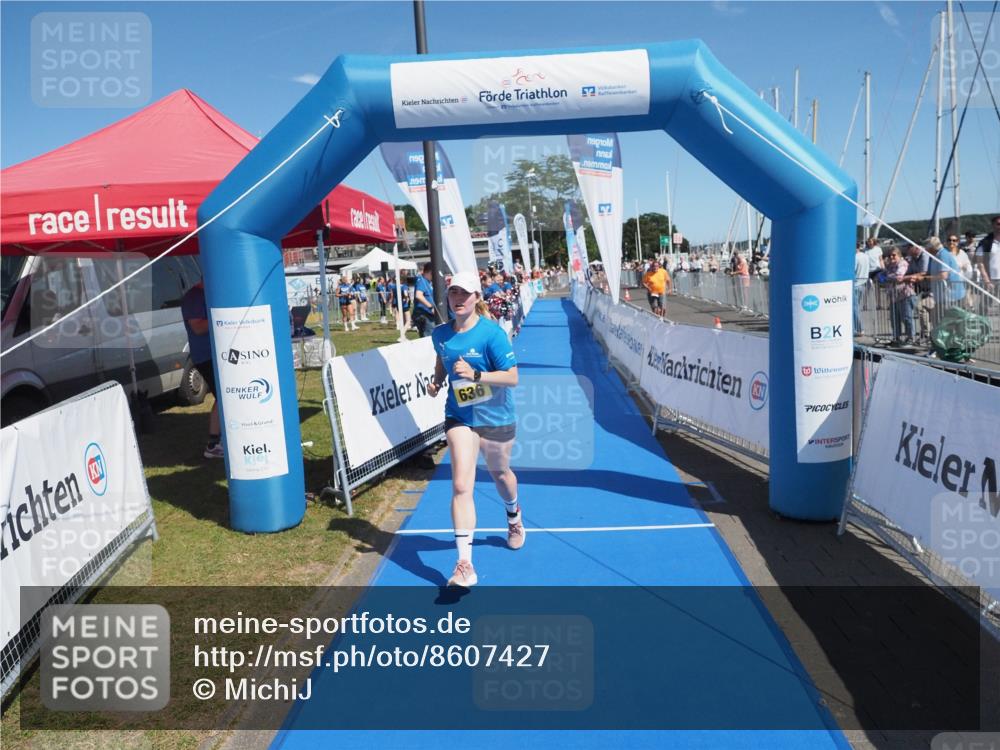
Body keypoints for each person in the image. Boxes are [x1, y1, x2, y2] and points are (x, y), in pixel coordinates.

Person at [426, 271, 522, 588]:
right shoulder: (440, 334)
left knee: (500, 474)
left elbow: (512, 377)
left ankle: (514, 516)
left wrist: (477, 376)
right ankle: (464, 564)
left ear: (476, 298)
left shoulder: (492, 335)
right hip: (460, 416)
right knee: (460, 485)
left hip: (494, 415)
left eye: (464, 294)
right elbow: (443, 357)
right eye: (453, 293)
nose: (458, 299)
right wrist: (437, 380)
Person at [180, 281, 222, 458]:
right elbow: (197, 327)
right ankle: (213, 444)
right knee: (223, 398)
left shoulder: (206, 293)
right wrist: (221, 317)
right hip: (206, 356)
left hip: (217, 354)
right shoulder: (194, 297)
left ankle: (217, 441)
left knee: (223, 398)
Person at [885, 247, 915, 345]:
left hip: (905, 294)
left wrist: (888, 277)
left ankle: (910, 337)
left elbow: (899, 276)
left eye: (894, 255)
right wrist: (888, 277)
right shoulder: (890, 265)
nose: (891, 257)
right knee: (894, 318)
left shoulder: (903, 263)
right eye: (890, 255)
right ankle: (896, 338)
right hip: (894, 296)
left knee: (907, 317)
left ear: (899, 255)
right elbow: (881, 276)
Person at [902, 243, 931, 341]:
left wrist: (907, 277)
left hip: (932, 288)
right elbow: (909, 272)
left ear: (915, 247)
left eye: (909, 248)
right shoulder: (912, 258)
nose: (907, 250)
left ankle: (926, 334)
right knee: (921, 309)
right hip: (921, 289)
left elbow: (924, 272)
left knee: (922, 309)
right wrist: (905, 276)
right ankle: (925, 333)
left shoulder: (925, 255)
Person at [974, 215, 1000, 292]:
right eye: (998, 224)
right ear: (993, 225)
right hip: (991, 280)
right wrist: (986, 280)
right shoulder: (985, 243)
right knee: (988, 303)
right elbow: (980, 263)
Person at [413, 262, 438, 337]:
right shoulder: (422, 280)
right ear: (429, 272)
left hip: (427, 314)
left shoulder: (427, 282)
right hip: (424, 314)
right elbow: (418, 295)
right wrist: (431, 307)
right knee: (429, 337)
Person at [853, 243, 869, 335]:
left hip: (856, 284)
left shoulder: (855, 258)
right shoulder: (865, 256)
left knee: (854, 308)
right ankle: (858, 328)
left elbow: (853, 270)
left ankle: (859, 329)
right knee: (856, 307)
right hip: (863, 283)